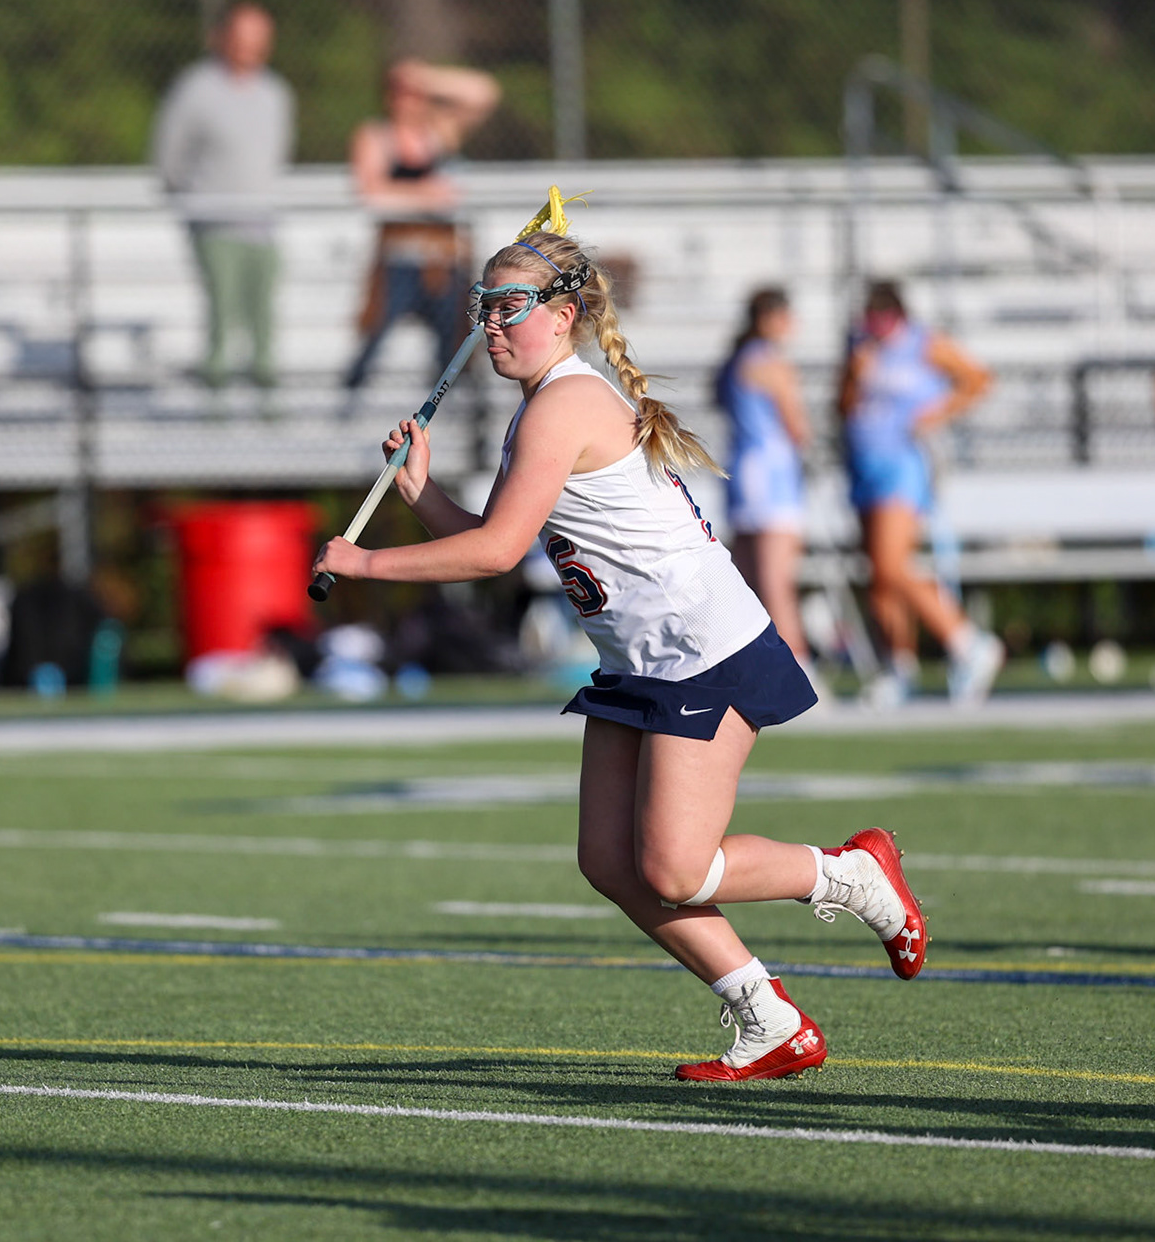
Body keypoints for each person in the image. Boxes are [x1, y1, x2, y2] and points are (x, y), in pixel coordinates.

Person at [314, 232, 927, 1082]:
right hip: (639, 659)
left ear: (564, 314)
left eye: (509, 308)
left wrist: (367, 564)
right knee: (609, 860)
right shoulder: (543, 406)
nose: (491, 325)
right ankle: (769, 1018)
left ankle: (852, 874)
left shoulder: (563, 404)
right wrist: (421, 494)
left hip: (699, 648)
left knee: (675, 866)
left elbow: (495, 553)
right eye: (483, 308)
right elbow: (505, 539)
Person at [837, 280, 1003, 707]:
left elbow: (979, 379)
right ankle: (898, 667)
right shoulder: (860, 348)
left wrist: (938, 412)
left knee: (892, 566)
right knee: (878, 577)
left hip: (903, 467)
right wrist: (854, 374)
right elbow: (844, 406)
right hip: (864, 467)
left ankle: (968, 642)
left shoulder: (923, 343)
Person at [152, 2, 294, 390]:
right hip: (214, 223)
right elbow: (169, 157)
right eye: (243, 37)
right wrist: (193, 201)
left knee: (263, 319)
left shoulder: (274, 92)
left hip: (262, 223)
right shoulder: (195, 88)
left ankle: (267, 402)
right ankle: (215, 403)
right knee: (221, 316)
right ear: (224, 37)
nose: (251, 47)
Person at [343, 59, 500, 395]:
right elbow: (369, 190)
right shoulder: (377, 136)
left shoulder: (439, 131)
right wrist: (424, 194)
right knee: (373, 337)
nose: (408, 102)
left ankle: (454, 406)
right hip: (397, 260)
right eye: (401, 93)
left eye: (415, 94)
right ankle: (349, 402)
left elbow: (484, 93)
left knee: (455, 340)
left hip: (441, 261)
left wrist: (427, 78)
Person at [717, 288, 814, 675]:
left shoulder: (736, 360)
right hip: (772, 477)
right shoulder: (770, 364)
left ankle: (754, 667)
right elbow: (796, 427)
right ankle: (798, 667)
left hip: (743, 472)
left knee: (748, 581)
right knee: (776, 582)